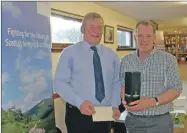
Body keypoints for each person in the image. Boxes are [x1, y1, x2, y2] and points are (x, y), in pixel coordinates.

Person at [54, 12, 121, 133]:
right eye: (91, 26)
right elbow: (60, 83)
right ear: (82, 29)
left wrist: (115, 105)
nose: (96, 30)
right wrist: (79, 103)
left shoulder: (112, 55)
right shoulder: (69, 53)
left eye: (100, 27)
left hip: (104, 115)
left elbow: (117, 82)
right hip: (78, 115)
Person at [120, 20, 182, 133]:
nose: (144, 40)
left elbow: (176, 88)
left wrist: (152, 102)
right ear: (134, 37)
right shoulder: (125, 60)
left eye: (148, 36)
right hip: (133, 121)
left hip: (160, 122)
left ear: (154, 37)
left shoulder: (168, 59)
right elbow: (123, 85)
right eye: (140, 35)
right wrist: (125, 101)